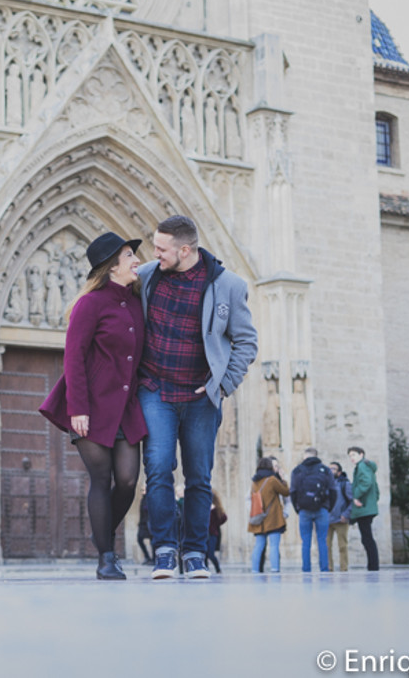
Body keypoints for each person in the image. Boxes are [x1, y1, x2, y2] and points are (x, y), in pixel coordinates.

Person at [137, 215, 258, 579]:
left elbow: (246, 341)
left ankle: (194, 553)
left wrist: (223, 384)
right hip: (156, 391)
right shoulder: (146, 276)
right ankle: (164, 551)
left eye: (161, 248)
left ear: (185, 250)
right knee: (158, 468)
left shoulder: (229, 286)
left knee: (199, 477)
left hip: (200, 397)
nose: (154, 254)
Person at [40, 232, 149, 580]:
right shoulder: (90, 304)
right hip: (92, 406)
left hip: (127, 408)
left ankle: (101, 532)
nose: (137, 260)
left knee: (128, 481)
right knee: (101, 479)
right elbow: (74, 358)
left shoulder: (137, 302)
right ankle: (106, 557)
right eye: (129, 255)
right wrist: (78, 409)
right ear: (112, 266)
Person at [290, 446, 338, 572]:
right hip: (322, 509)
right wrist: (328, 507)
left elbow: (293, 492)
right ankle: (324, 569)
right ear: (316, 456)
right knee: (322, 540)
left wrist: (298, 508)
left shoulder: (297, 471)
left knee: (305, 541)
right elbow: (333, 491)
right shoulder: (325, 470)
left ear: (305, 456)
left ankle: (306, 569)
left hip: (304, 509)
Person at [248, 457, 289, 573]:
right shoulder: (272, 480)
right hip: (273, 518)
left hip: (259, 518)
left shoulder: (254, 482)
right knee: (274, 545)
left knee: (258, 545)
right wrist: (283, 479)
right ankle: (274, 569)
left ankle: (255, 570)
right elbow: (286, 492)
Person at [348, 446, 380, 571]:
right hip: (367, 507)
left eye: (354, 455)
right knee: (367, 538)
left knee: (367, 538)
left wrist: (356, 496)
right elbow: (375, 489)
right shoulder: (365, 466)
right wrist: (372, 501)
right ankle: (372, 566)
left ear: (361, 454)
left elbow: (366, 482)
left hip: (364, 508)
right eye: (350, 456)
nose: (351, 458)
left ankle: (373, 566)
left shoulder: (362, 466)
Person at [326, 461, 354, 571]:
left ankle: (344, 568)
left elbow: (352, 501)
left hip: (341, 520)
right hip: (327, 521)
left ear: (339, 472)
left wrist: (346, 514)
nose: (330, 471)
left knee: (342, 546)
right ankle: (329, 568)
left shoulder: (345, 484)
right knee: (326, 546)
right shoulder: (325, 483)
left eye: (333, 469)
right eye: (329, 468)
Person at [206, 489, 227, 574]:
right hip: (203, 534)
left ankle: (218, 569)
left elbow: (224, 518)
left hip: (212, 534)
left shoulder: (215, 508)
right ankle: (205, 570)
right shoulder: (203, 506)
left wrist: (215, 524)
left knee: (210, 554)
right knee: (204, 554)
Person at [137, 482, 153, 565]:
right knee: (140, 539)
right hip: (143, 523)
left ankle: (153, 559)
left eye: (144, 490)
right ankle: (147, 557)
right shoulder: (143, 499)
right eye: (142, 490)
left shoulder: (150, 498)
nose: (143, 491)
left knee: (152, 541)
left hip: (149, 523)